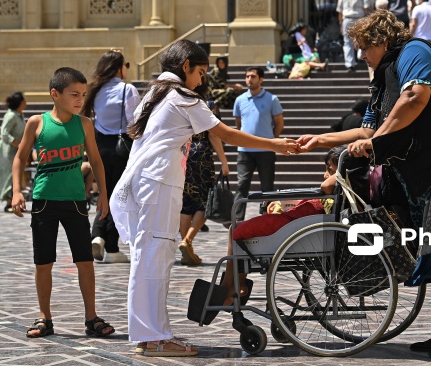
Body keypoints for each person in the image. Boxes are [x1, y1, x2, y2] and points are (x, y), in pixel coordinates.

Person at [297, 10, 431, 359]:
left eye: (362, 47)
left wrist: (376, 142)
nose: (360, 55)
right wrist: (324, 139)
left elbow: (415, 98)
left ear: (381, 40)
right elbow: (370, 131)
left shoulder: (414, 53)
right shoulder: (383, 78)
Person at [109, 40, 297, 356]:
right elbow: (225, 133)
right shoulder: (182, 96)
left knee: (150, 257)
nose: (201, 80)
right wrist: (275, 145)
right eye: (200, 72)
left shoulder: (154, 94)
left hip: (149, 184)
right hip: (158, 185)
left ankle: (150, 335)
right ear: (186, 66)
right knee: (154, 259)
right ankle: (155, 338)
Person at [11, 67, 115, 339]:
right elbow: (20, 157)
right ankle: (45, 316)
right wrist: (17, 191)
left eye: (83, 94)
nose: (80, 99)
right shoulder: (37, 123)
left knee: (85, 261)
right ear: (55, 94)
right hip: (44, 201)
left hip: (76, 203)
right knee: (43, 262)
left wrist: (104, 194)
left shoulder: (84, 124)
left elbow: (95, 160)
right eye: (74, 94)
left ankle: (91, 317)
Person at [221, 145, 341, 305]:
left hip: (295, 225)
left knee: (234, 229)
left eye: (330, 170)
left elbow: (324, 187)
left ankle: (231, 286)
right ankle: (234, 284)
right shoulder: (335, 191)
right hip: (296, 221)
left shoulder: (334, 185)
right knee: (236, 229)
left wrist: (342, 171)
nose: (325, 175)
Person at [81, 50, 140, 264]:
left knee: (105, 192)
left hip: (99, 146)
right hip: (121, 147)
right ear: (118, 67)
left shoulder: (96, 90)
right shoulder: (128, 89)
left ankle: (98, 235)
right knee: (119, 197)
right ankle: (112, 247)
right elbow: (133, 124)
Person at [178, 83, 229, 266]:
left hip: (183, 154)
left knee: (186, 203)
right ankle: (187, 241)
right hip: (202, 156)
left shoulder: (181, 103)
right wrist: (224, 161)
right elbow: (214, 135)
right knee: (205, 202)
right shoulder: (207, 105)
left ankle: (187, 249)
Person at [232, 67, 285, 221]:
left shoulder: (272, 99)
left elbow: (279, 124)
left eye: (253, 76)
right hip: (244, 151)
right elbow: (238, 124)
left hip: (265, 151)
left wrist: (270, 141)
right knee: (242, 185)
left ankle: (267, 217)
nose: (249, 79)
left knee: (267, 187)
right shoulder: (239, 100)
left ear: (261, 79)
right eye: (247, 76)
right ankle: (237, 219)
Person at [0, 92, 26, 212]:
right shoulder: (10, 115)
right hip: (8, 150)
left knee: (16, 174)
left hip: (17, 150)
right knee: (10, 174)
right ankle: (9, 203)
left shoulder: (20, 115)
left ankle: (14, 200)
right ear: (20, 102)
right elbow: (4, 133)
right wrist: (18, 144)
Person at [336, 0, 369, 72]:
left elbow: (340, 11)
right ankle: (362, 58)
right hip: (360, 19)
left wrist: (341, 23)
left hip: (347, 19)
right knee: (363, 40)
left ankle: (350, 64)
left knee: (347, 42)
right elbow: (366, 7)